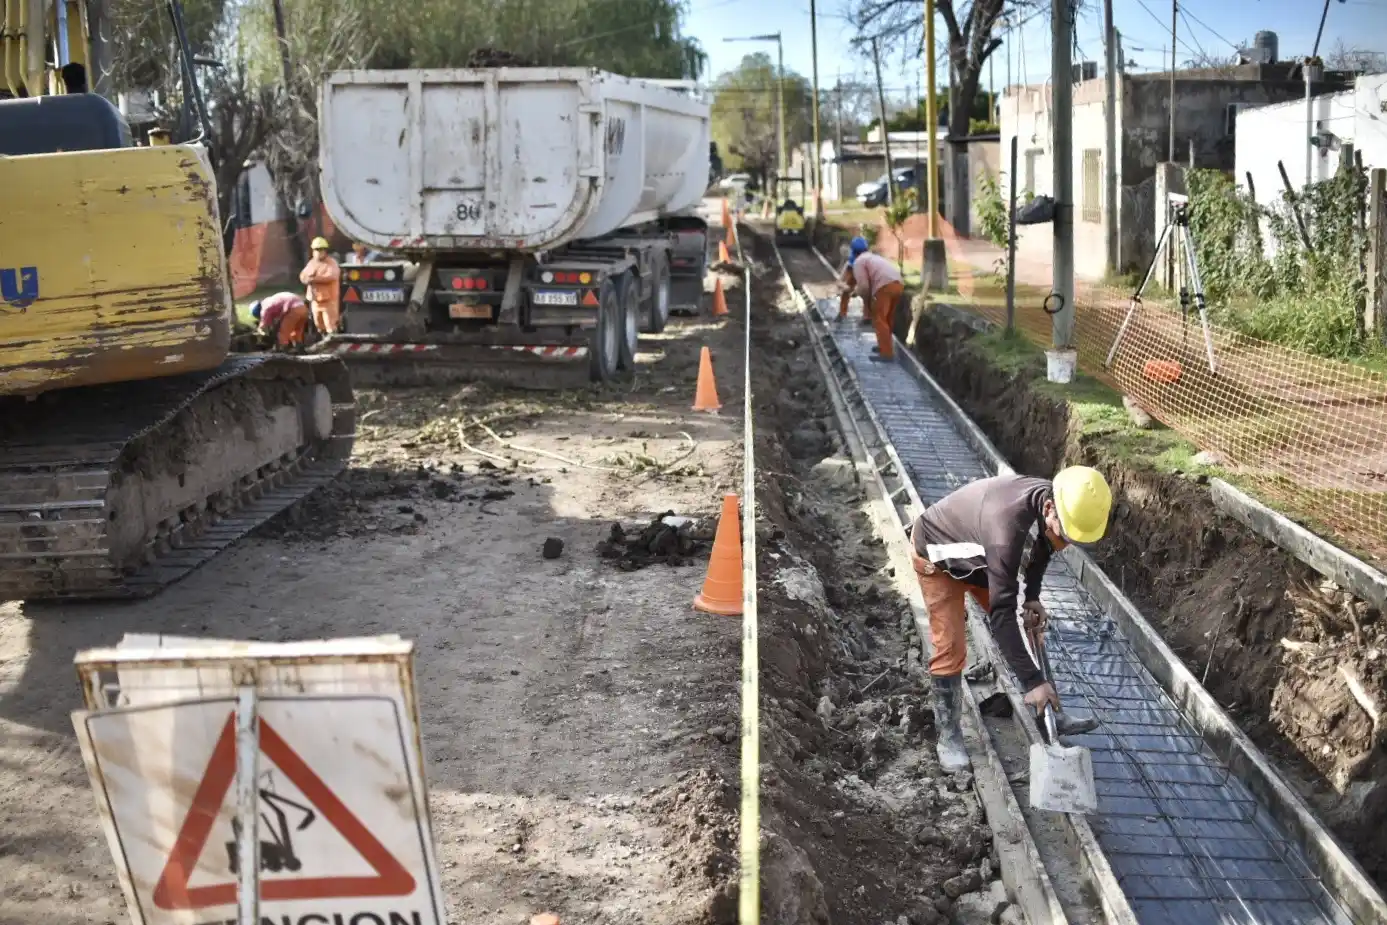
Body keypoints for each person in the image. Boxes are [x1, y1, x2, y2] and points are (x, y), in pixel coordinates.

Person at [908, 467, 1112, 772]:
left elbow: (1042, 546)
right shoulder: (1007, 531)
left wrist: (1032, 596)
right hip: (937, 556)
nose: (1066, 543)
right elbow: (1001, 618)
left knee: (1028, 624)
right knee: (951, 647)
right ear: (1049, 509)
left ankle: (1050, 716)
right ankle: (948, 736)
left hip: (980, 556)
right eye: (1065, 535)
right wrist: (1032, 681)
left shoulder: (1050, 499)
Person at [837, 236, 904, 362]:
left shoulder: (858, 262)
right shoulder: (873, 257)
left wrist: (858, 294)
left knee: (879, 319)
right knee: (887, 318)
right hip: (898, 284)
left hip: (884, 286)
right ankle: (885, 346)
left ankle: (886, 354)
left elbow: (864, 287)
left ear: (853, 253)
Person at [299, 236, 342, 334]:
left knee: (330, 325)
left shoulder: (331, 263)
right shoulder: (311, 263)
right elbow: (303, 275)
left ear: (325, 250)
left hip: (328, 300)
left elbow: (331, 276)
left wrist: (314, 279)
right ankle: (321, 342)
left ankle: (332, 343)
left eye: (320, 249)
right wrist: (307, 279)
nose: (318, 252)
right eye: (316, 250)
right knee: (318, 325)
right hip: (315, 300)